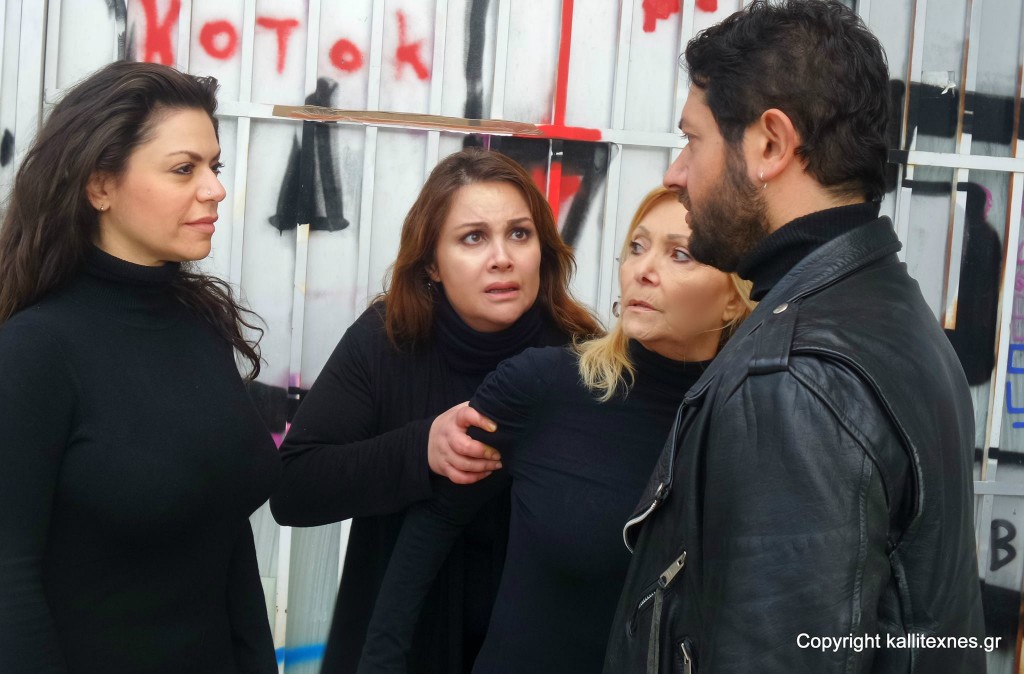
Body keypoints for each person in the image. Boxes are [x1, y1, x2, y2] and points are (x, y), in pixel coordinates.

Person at [603, 2, 986, 673]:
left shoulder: (795, 376)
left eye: (692, 140)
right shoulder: (884, 303)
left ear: (771, 145)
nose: (675, 173)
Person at [356, 187, 753, 674]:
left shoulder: (750, 424)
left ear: (734, 299)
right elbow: (433, 524)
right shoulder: (543, 384)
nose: (643, 270)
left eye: (680, 255)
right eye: (637, 246)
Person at [269, 148, 601, 674]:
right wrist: (421, 449)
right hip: (395, 651)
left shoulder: (584, 358)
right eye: (473, 238)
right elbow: (294, 488)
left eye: (520, 234)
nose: (502, 258)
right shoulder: (386, 340)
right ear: (431, 264)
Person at [0, 61, 280, 673]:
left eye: (214, 167)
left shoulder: (201, 327)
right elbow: (8, 583)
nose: (214, 190)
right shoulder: (35, 352)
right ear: (100, 186)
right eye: (184, 169)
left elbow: (226, 539)